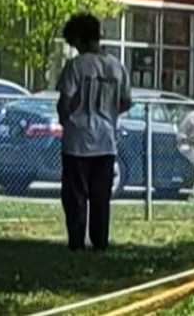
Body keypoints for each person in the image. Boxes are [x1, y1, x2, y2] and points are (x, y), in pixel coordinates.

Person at [56, 13, 132, 251]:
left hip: (77, 140)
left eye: (74, 43)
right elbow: (127, 101)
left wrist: (65, 119)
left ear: (79, 38)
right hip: (106, 140)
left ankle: (76, 242)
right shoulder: (116, 67)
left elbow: (65, 101)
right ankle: (100, 242)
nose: (74, 48)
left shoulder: (76, 66)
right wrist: (110, 115)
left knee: (75, 195)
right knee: (101, 197)